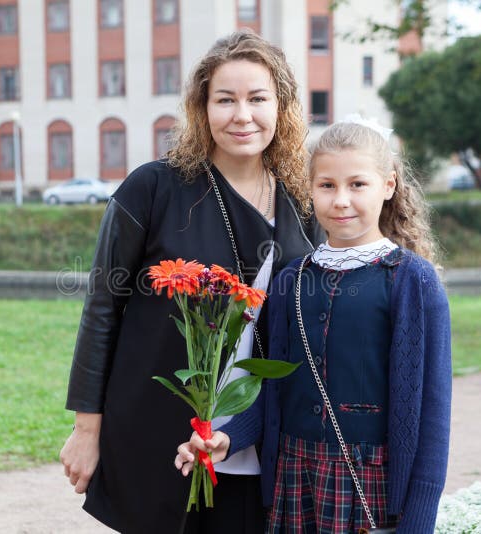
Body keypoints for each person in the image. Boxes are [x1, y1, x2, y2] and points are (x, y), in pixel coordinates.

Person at [60, 30, 323, 534]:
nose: (241, 115)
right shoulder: (152, 188)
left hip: (258, 436)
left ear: (282, 106)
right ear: (202, 108)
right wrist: (86, 430)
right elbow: (101, 308)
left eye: (257, 99)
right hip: (157, 428)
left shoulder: (302, 201)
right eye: (225, 99)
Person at [175, 118, 452, 533]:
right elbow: (272, 390)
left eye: (358, 184)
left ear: (388, 186)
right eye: (327, 185)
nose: (341, 200)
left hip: (370, 483)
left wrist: (417, 520)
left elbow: (431, 414)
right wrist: (228, 439)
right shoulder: (290, 279)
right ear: (309, 189)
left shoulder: (413, 281)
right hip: (293, 476)